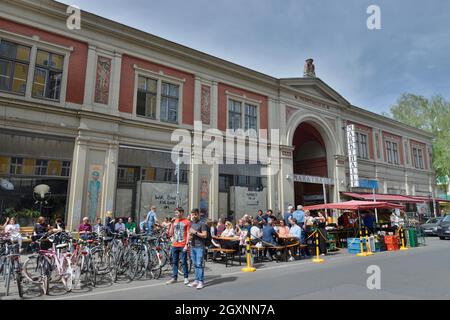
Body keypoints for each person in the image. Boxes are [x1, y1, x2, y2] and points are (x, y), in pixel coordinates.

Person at [166, 208, 191, 285]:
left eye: (177, 213)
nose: (176, 214)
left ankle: (186, 278)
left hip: (183, 245)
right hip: (175, 245)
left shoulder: (187, 221)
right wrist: (171, 224)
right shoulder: (174, 221)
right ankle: (174, 278)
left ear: (182, 213)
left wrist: (187, 245)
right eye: (175, 213)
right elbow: (170, 233)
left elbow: (188, 234)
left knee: (184, 262)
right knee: (174, 262)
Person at [187, 209, 207, 290]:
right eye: (192, 214)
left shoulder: (202, 224)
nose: (193, 216)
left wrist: (195, 232)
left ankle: (201, 281)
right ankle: (196, 280)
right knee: (195, 264)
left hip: (199, 247)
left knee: (199, 264)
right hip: (193, 246)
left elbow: (205, 235)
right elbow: (190, 235)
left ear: (198, 215)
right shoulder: (192, 223)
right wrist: (190, 237)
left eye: (195, 214)